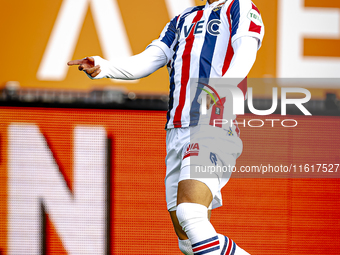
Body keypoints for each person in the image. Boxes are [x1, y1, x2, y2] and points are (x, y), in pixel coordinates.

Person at [68, 0, 264, 254]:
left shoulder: (240, 6)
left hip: (213, 123)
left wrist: (220, 90)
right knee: (187, 241)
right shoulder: (184, 18)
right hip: (176, 130)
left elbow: (245, 53)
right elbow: (150, 60)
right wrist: (104, 66)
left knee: (190, 212)